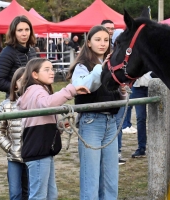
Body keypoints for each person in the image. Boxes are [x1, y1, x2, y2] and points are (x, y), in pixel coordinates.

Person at [66, 25, 127, 199]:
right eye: (98, 40)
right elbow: (83, 86)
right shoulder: (82, 65)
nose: (102, 43)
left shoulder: (112, 65)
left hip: (111, 121)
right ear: (89, 43)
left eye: (106, 40)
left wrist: (122, 90)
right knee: (90, 178)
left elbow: (120, 99)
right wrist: (102, 68)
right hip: (91, 122)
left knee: (110, 178)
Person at [17, 57, 90, 199]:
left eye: (52, 69)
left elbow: (47, 113)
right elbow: (47, 104)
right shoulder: (35, 90)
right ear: (35, 74)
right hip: (38, 151)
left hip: (43, 151)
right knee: (39, 196)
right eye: (47, 69)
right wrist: (71, 90)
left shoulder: (39, 90)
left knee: (51, 195)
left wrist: (62, 124)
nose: (52, 72)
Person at [0, 67, 28, 200]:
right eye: (21, 80)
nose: (24, 83)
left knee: (31, 191)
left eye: (27, 80)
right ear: (14, 85)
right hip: (14, 157)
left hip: (33, 155)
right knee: (15, 193)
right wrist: (10, 148)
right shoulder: (6, 105)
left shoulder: (38, 103)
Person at [0, 15, 37, 98]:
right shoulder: (7, 52)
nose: (24, 34)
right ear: (14, 32)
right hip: (16, 101)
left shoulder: (32, 51)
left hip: (32, 100)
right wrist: (18, 87)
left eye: (27, 30)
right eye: (20, 30)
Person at [111, 28, 130, 165]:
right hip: (110, 94)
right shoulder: (113, 56)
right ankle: (113, 153)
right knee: (114, 123)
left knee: (119, 123)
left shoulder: (126, 55)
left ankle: (117, 152)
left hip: (121, 92)